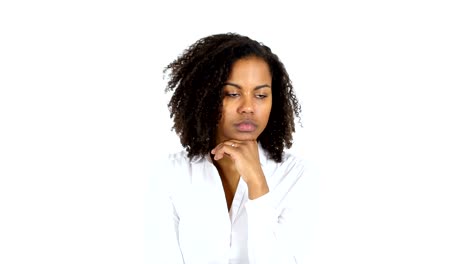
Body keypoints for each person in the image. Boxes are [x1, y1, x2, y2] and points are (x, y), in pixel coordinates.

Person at [148, 32, 315, 264]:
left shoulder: (298, 176)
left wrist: (257, 184)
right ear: (204, 96)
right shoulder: (169, 174)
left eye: (261, 95)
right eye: (232, 93)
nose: (248, 107)